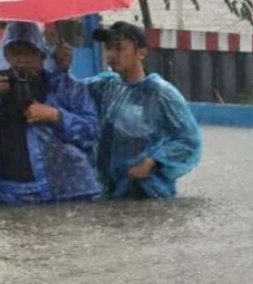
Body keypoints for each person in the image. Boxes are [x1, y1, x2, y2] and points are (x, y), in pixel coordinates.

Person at [56, 21, 202, 199]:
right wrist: (63, 68)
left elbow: (188, 140)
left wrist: (152, 162)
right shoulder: (105, 86)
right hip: (108, 191)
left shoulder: (161, 93)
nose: (111, 54)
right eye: (108, 48)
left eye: (119, 48)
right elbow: (70, 96)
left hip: (147, 191)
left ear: (141, 53)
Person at [0, 21, 101, 207]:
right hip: (4, 194)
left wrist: (55, 116)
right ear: (6, 55)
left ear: (42, 55)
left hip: (64, 192)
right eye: (16, 51)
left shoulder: (67, 88)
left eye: (30, 51)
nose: (23, 58)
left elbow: (92, 133)